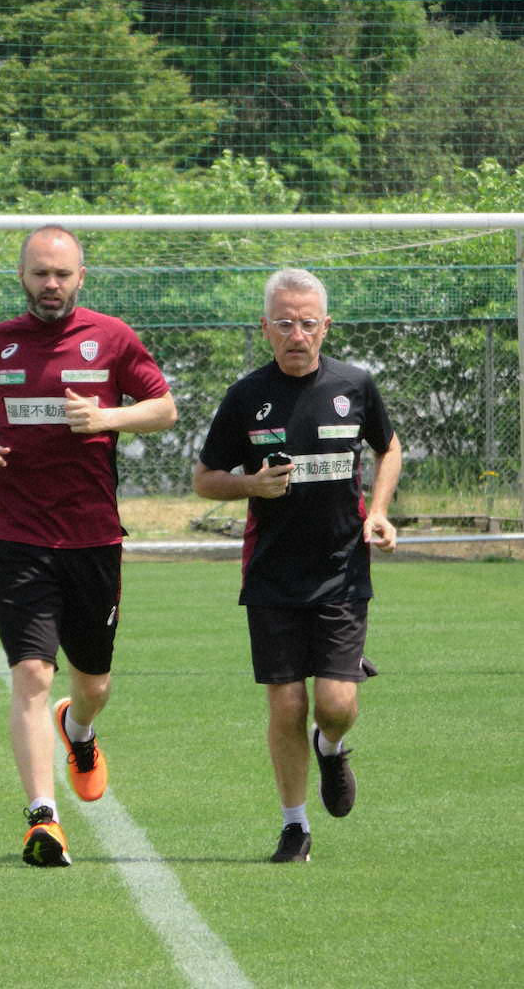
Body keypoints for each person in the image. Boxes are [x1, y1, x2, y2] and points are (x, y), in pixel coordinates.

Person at [0, 225, 177, 867]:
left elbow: (163, 407)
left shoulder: (113, 336)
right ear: (22, 276)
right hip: (17, 536)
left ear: (81, 277)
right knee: (30, 673)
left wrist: (108, 417)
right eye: (41, 273)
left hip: (94, 538)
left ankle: (80, 729)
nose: (52, 284)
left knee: (92, 681)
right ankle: (42, 819)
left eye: (63, 274)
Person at [193, 267, 401, 863]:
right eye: (284, 322)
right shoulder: (246, 396)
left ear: (326, 326)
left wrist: (379, 512)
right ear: (265, 327)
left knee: (336, 706)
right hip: (272, 574)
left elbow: (388, 448)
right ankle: (294, 825)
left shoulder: (355, 385)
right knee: (285, 703)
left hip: (341, 570)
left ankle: (330, 747)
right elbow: (205, 480)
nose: (296, 333)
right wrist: (250, 485)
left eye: (308, 323)